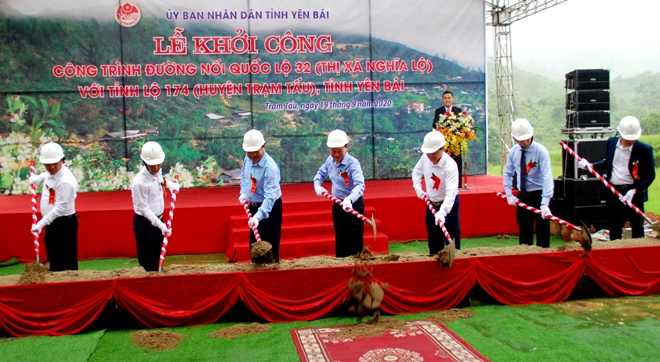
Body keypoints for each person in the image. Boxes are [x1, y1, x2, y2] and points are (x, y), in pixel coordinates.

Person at [578, 116, 655, 240]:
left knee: (637, 226)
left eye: (633, 139)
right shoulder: (611, 142)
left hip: (633, 192)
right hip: (613, 191)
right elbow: (609, 162)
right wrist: (591, 166)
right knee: (614, 225)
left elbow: (650, 175)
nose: (631, 141)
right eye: (628, 138)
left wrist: (635, 190)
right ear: (620, 133)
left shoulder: (644, 150)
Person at [313, 130, 366, 258]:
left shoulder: (353, 164)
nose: (336, 155)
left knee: (354, 239)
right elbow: (320, 174)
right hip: (338, 204)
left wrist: (350, 199)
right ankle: (341, 265)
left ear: (346, 147)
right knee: (341, 236)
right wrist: (317, 185)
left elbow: (360, 185)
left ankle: (356, 269)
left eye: (339, 151)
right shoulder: (329, 160)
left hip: (353, 204)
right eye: (333, 151)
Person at [503, 118, 554, 247]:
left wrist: (545, 203)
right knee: (525, 231)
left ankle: (544, 259)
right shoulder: (514, 151)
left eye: (528, 138)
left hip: (539, 195)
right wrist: (508, 193)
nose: (525, 142)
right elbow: (508, 172)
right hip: (523, 196)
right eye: (521, 140)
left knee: (543, 231)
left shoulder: (540, 152)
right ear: (515, 138)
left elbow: (547, 177)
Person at [29, 142, 79, 271]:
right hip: (53, 222)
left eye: (55, 163)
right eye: (47, 164)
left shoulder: (65, 181)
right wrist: (38, 178)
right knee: (53, 253)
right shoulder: (53, 172)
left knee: (64, 260)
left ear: (62, 160)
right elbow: (49, 174)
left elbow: (60, 208)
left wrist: (41, 223)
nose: (51, 167)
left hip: (63, 223)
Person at [130, 141, 179, 272]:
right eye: (153, 165)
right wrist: (160, 225)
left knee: (158, 255)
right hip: (145, 223)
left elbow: (159, 180)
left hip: (158, 218)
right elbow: (144, 208)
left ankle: (158, 277)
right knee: (147, 259)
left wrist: (169, 185)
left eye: (159, 164)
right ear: (145, 163)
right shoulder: (139, 183)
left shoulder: (156, 171)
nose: (157, 167)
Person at [412, 130, 461, 254]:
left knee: (451, 236)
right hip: (432, 203)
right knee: (433, 239)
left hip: (448, 205)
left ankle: (454, 261)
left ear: (441, 149)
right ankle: (434, 258)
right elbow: (416, 172)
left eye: (433, 153)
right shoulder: (425, 157)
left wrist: (443, 212)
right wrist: (418, 189)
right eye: (427, 152)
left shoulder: (450, 166)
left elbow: (451, 193)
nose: (430, 156)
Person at [238, 130, 283, 262]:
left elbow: (270, 197)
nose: (253, 155)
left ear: (264, 146)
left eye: (256, 151)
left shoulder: (270, 168)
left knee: (269, 248)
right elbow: (244, 176)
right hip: (254, 205)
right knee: (255, 248)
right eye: (249, 152)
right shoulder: (248, 158)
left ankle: (272, 275)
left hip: (270, 208)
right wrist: (244, 192)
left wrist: (258, 216)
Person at [432, 90, 465, 187]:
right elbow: (434, 124)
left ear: (452, 99)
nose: (447, 100)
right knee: (444, 162)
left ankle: (458, 184)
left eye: (449, 98)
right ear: (442, 100)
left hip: (456, 143)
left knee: (457, 162)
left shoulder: (458, 111)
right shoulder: (438, 111)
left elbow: (462, 125)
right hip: (444, 142)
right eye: (445, 98)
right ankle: (444, 184)